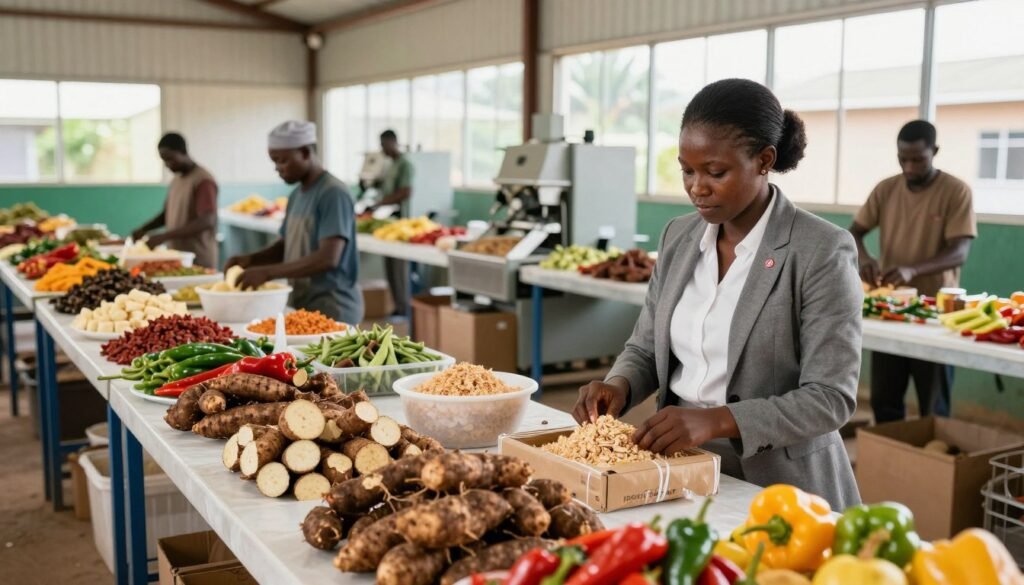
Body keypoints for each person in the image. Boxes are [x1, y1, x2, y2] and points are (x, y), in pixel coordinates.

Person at [574, 78, 862, 510]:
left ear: (764, 160)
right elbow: (647, 346)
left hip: (782, 482)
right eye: (687, 170)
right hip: (679, 464)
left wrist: (717, 421)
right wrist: (619, 386)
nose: (696, 187)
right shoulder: (679, 236)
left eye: (716, 172)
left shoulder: (819, 249)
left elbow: (830, 397)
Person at [850, 120, 976, 423]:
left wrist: (912, 269)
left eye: (917, 159)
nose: (909, 166)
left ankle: (931, 467)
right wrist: (865, 258)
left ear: (934, 151)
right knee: (885, 401)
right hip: (892, 310)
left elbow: (959, 252)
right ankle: (893, 466)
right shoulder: (886, 189)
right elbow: (854, 233)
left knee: (933, 407)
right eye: (902, 159)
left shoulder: (956, 191)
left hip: (936, 315)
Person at [224, 121, 364, 324]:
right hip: (303, 302)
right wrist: (251, 260)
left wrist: (267, 273)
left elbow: (328, 258)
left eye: (282, 161)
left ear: (305, 153)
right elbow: (284, 246)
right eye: (274, 161)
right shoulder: (296, 196)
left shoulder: (332, 193)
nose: (277, 168)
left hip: (333, 305)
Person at [132, 133, 219, 268]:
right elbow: (167, 214)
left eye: (170, 159)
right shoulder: (176, 180)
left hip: (198, 258)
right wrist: (144, 229)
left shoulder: (203, 180)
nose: (167, 165)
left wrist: (164, 237)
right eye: (164, 160)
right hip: (178, 256)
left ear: (183, 152)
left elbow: (207, 220)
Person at [372, 130, 414, 317]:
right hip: (386, 220)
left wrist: (383, 202)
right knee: (389, 266)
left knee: (399, 268)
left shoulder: (406, 164)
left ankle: (404, 307)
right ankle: (397, 305)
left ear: (393, 142)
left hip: (399, 220)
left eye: (383, 144)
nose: (382, 149)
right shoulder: (390, 165)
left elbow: (405, 192)